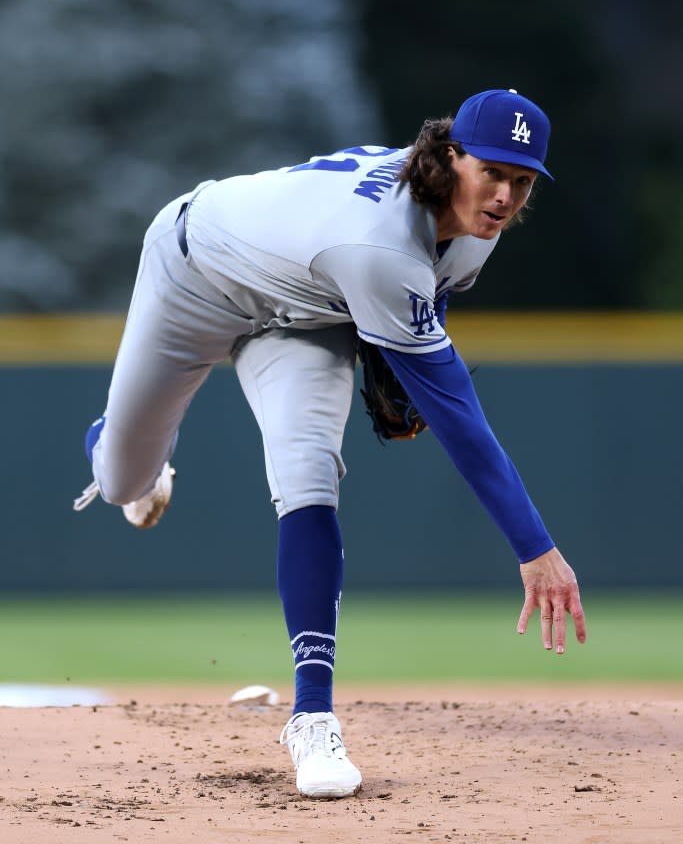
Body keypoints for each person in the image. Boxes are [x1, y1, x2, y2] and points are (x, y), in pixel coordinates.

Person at [74, 87, 587, 800]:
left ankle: (311, 716)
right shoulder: (375, 243)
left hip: (304, 317)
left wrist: (397, 333)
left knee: (310, 473)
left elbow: (422, 296)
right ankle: (124, 450)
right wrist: (536, 550)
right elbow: (459, 418)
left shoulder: (474, 233)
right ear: (448, 157)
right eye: (490, 171)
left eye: (520, 180)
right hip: (195, 276)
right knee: (124, 481)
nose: (503, 195)